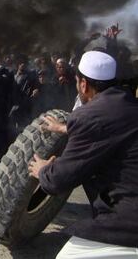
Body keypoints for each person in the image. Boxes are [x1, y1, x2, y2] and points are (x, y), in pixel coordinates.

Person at [29, 51, 138, 258]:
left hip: (129, 222)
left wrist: (44, 170)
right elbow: (112, 129)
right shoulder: (130, 104)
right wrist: (66, 128)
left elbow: (58, 181)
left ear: (83, 85)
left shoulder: (88, 116)